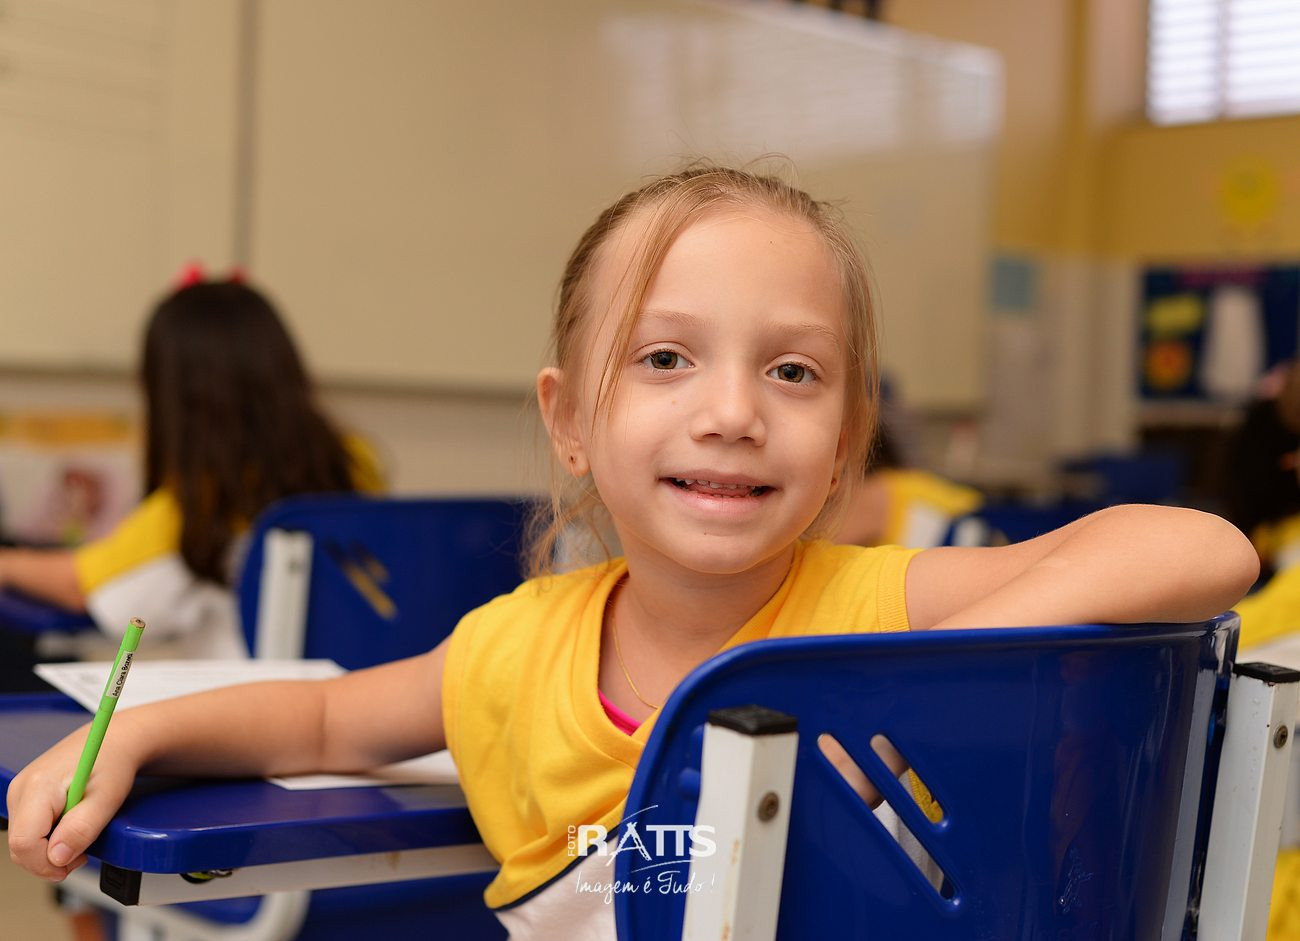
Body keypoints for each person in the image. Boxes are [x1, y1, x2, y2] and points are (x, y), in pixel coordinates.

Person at [6, 166, 1257, 938]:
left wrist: (907, 685)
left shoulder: (881, 604)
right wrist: (134, 735)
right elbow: (326, 721)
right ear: (569, 421)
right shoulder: (516, 651)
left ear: (844, 444)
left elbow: (1200, 544)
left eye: (793, 371)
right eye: (666, 357)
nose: (733, 409)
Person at [0, 272, 383, 663]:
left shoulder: (198, 504)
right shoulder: (355, 461)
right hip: (352, 684)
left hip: (239, 695)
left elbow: (81, 583)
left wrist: (8, 564)